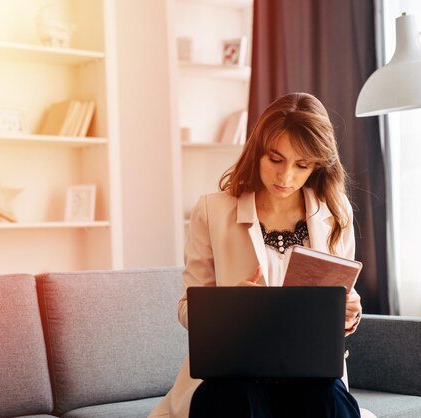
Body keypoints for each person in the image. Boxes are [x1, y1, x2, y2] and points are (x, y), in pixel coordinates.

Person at [149, 92, 368, 418]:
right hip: (234, 371)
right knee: (236, 401)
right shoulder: (212, 211)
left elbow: (336, 309)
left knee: (330, 403)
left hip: (308, 373)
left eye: (302, 165)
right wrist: (228, 309)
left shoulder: (335, 215)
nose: (286, 177)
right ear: (257, 153)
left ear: (318, 165)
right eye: (275, 160)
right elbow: (185, 308)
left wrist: (348, 314)